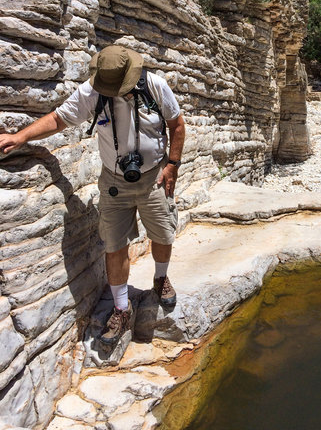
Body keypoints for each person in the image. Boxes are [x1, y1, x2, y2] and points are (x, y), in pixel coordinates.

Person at [0, 45, 185, 345]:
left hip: (153, 177)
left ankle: (161, 279)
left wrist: (172, 166)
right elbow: (59, 119)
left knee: (163, 235)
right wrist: (19, 137)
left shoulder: (155, 85)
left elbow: (177, 125)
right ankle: (122, 309)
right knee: (114, 245)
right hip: (114, 182)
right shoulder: (93, 90)